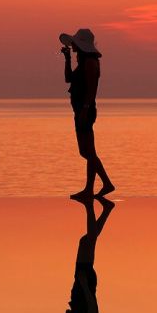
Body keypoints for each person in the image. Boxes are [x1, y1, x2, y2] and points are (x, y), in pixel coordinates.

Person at [59, 195, 115, 313]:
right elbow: (91, 305)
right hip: (86, 283)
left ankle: (106, 208)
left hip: (82, 283)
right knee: (88, 241)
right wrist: (84, 285)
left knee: (87, 241)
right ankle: (89, 204)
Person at [60, 28, 115, 199]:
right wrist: (67, 58)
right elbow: (68, 78)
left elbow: (92, 89)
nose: (73, 45)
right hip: (80, 110)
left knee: (88, 152)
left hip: (86, 110)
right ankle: (91, 188)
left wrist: (84, 109)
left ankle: (105, 183)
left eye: (75, 43)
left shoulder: (90, 63)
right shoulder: (83, 61)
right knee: (87, 152)